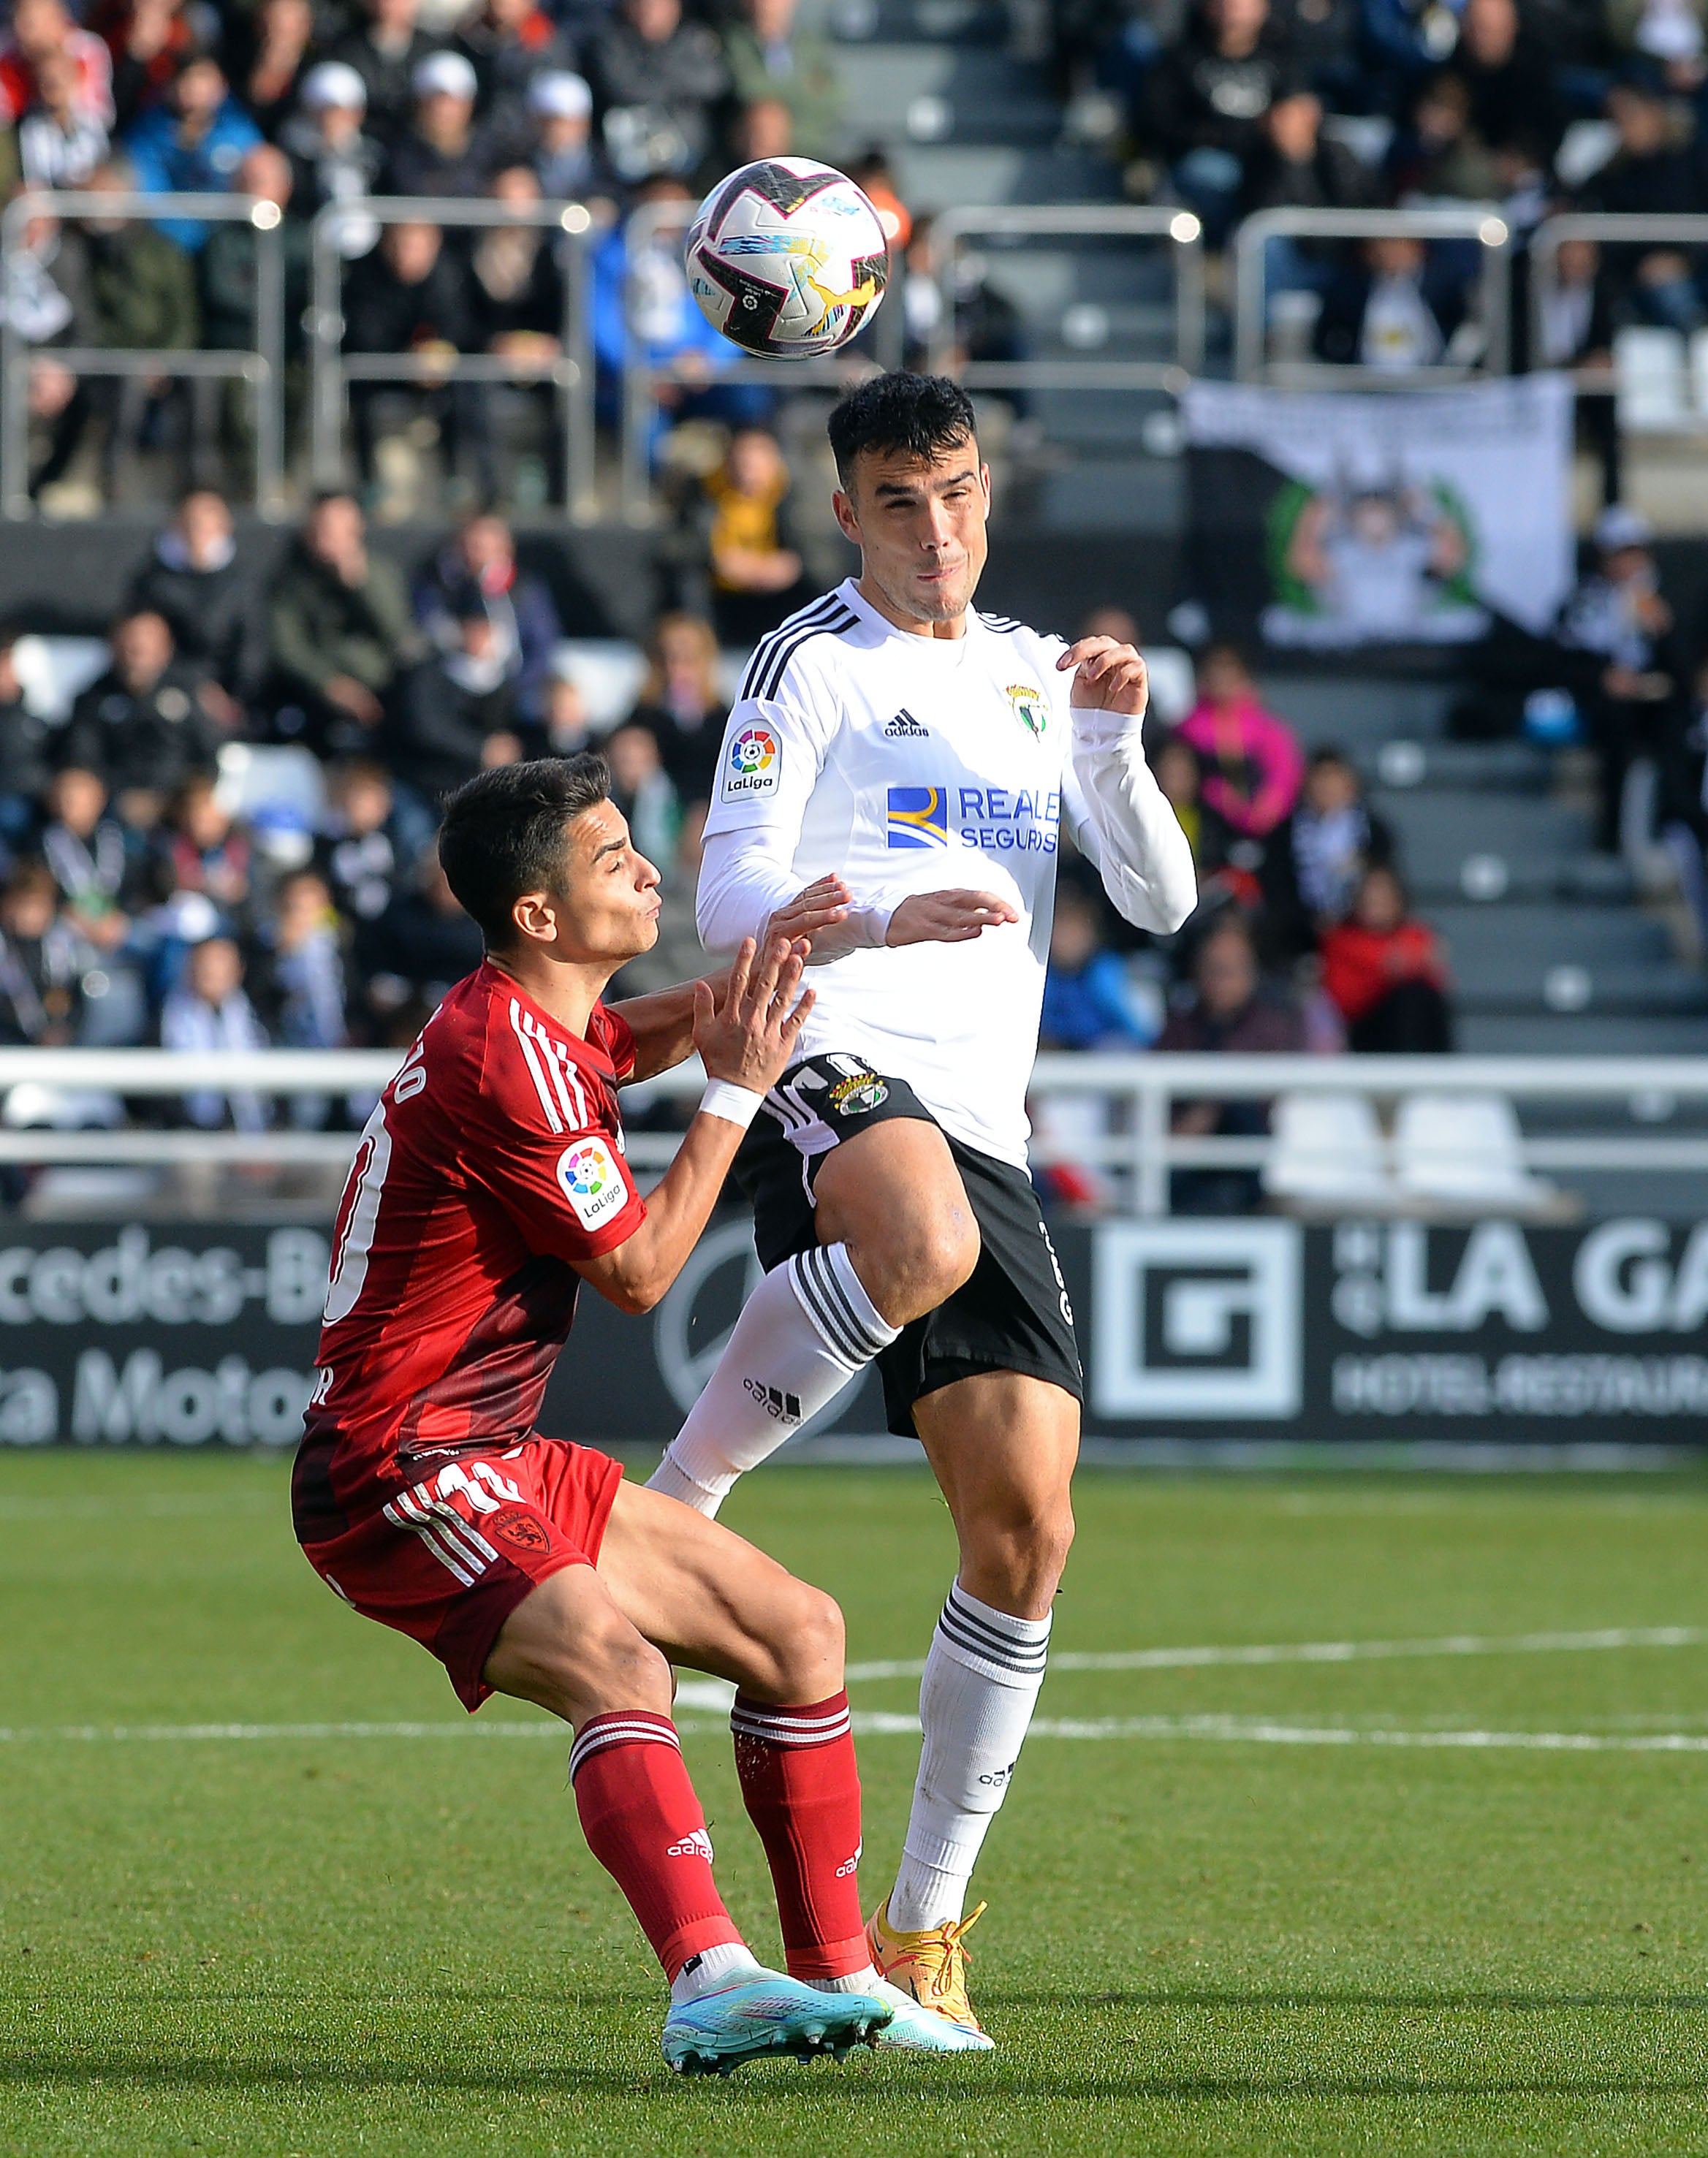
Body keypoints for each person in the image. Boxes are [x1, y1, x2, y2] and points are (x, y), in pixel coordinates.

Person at [644, 371, 1197, 2042]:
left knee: (1026, 1530)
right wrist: (874, 917)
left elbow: (1160, 900)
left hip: (979, 1118)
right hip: (821, 1053)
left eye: (954, 491)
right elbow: (727, 879)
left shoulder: (1034, 675)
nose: (936, 527)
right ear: (846, 511)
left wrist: (1110, 741)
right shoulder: (807, 660)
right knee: (918, 1236)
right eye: (899, 499)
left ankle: (920, 1928)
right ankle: (670, 1509)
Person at [290, 753, 962, 2067]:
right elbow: (645, 1274)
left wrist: (744, 994)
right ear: (536, 915)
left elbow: (620, 1038)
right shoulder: (502, 1059)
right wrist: (737, 1084)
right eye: (612, 859)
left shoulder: (535, 1022)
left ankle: (847, 1989)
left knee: (798, 1631)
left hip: (490, 1448)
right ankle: (709, 1977)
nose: (649, 868)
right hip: (397, 1463)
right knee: (621, 1660)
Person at [1154, 913, 1305, 1212]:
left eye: (1230, 971)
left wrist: (1215, 1109)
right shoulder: (1179, 1031)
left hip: (1255, 1174)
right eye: (1213, 969)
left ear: (1251, 973)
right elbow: (1157, 1114)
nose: (1220, 981)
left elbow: (1278, 1107)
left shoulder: (1274, 1031)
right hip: (1185, 1176)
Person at [265, 492, 419, 756]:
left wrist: (360, 584)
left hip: (379, 687)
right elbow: (288, 647)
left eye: (335, 529)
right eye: (320, 528)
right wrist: (329, 684)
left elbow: (396, 631)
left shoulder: (381, 574)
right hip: (317, 692)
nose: (327, 537)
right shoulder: (291, 581)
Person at [61, 608, 222, 829]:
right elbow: (82, 757)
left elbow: (208, 756)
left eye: (145, 645)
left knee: (205, 811)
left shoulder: (187, 695)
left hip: (175, 804)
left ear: (165, 648)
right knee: (76, 797)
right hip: (113, 802)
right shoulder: (93, 699)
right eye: (130, 643)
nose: (136, 652)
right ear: (114, 646)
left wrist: (171, 800)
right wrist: (117, 795)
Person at [414, 510, 561, 729]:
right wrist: (459, 637)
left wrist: (513, 684)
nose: (476, 555)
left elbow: (543, 646)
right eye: (471, 545)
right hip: (452, 685)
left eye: (484, 547)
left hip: (511, 690)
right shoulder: (439, 584)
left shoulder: (526, 590)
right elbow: (425, 625)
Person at [129, 490, 260, 720]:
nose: (198, 534)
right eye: (191, 525)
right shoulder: (151, 584)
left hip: (231, 698)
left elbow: (253, 648)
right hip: (169, 694)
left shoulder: (243, 585)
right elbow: (143, 646)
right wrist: (196, 688)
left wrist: (235, 696)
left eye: (207, 526)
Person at [124, 51, 262, 252]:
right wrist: (187, 235)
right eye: (185, 77)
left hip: (230, 241)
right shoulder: (147, 133)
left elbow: (258, 180)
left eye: (202, 77)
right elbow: (148, 192)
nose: (192, 86)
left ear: (221, 86)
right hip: (165, 243)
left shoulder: (240, 133)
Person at [584, 0, 729, 186]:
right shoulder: (611, 41)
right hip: (630, 159)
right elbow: (623, 88)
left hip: (690, 159)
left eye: (658, 5)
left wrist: (656, 76)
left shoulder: (695, 38)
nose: (649, 12)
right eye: (642, 5)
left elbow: (713, 83)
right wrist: (678, 82)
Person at [1175, 644, 1305, 838]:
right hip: (1206, 830)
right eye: (1215, 671)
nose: (1221, 680)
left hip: (1266, 833)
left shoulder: (1268, 729)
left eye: (1229, 671)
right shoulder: (1187, 729)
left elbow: (1284, 776)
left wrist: (1262, 812)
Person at [1320, 862, 1453, 1049]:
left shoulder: (1415, 933)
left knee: (1417, 996)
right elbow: (1344, 1000)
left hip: (1418, 1032)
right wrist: (1387, 973)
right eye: (1370, 900)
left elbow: (1438, 979)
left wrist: (1400, 967)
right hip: (1366, 1033)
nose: (1376, 906)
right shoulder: (1342, 940)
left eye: (1384, 899)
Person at [701, 426, 811, 647]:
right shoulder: (706, 497)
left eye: (758, 461)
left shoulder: (795, 501)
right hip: (721, 603)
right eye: (742, 460)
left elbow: (806, 556)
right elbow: (706, 553)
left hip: (781, 602)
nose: (749, 470)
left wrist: (771, 568)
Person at [160, 931, 268, 1131]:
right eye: (202, 962)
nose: (209, 970)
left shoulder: (259, 1016)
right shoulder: (165, 1021)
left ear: (238, 970)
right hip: (191, 1133)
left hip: (257, 1130)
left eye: (219, 961)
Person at [280, 60, 384, 255]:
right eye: (326, 110)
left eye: (344, 110)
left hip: (370, 253)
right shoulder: (293, 153)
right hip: (309, 247)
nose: (334, 119)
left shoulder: (373, 154)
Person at [721, 0, 843, 162]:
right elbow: (745, 88)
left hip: (806, 159)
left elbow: (833, 99)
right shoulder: (729, 41)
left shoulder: (813, 45)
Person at [626, 612, 727, 807]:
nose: (676, 669)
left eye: (688, 659)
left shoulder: (723, 719)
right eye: (667, 659)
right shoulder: (642, 717)